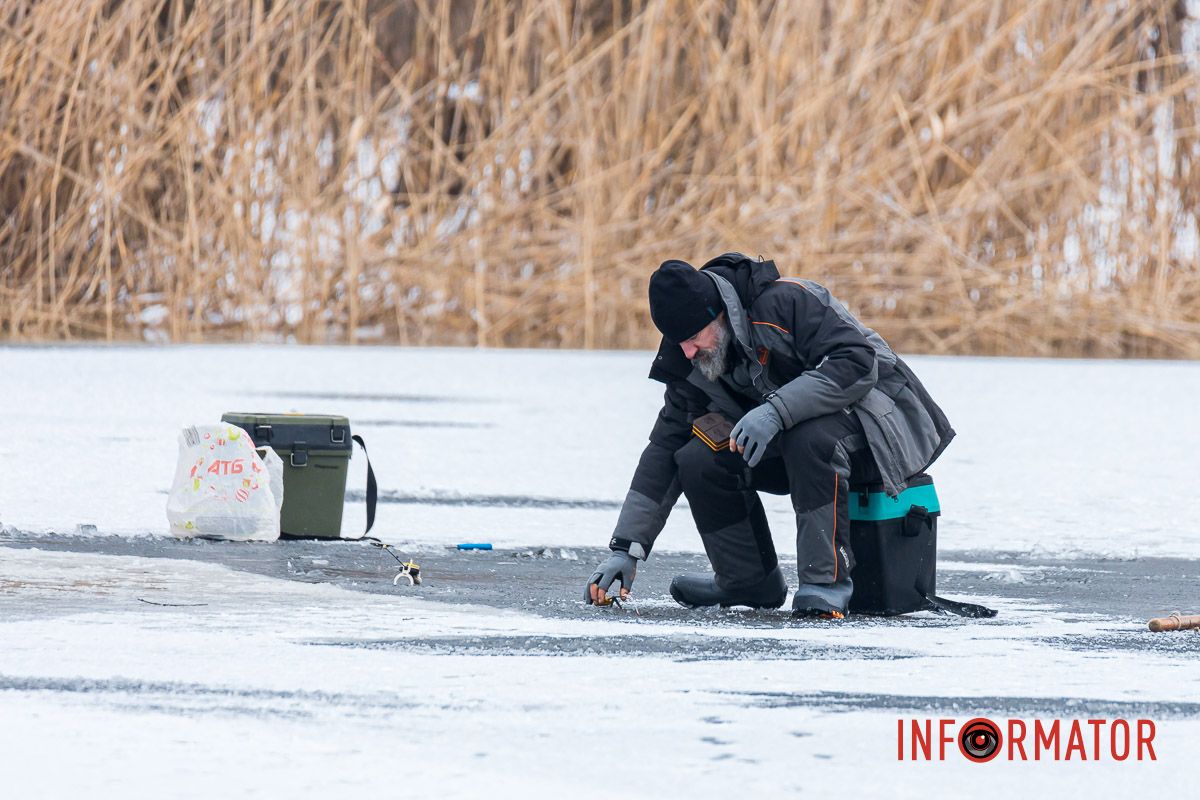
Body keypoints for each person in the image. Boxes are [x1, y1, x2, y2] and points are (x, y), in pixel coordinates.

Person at [584, 253, 954, 618]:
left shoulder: (786, 302)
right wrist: (626, 548)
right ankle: (747, 581)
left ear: (720, 314)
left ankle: (824, 586)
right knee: (699, 457)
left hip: (878, 427)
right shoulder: (689, 355)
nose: (688, 351)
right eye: (678, 341)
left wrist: (776, 410)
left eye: (695, 337)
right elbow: (666, 444)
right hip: (796, 445)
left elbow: (857, 363)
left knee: (809, 438)